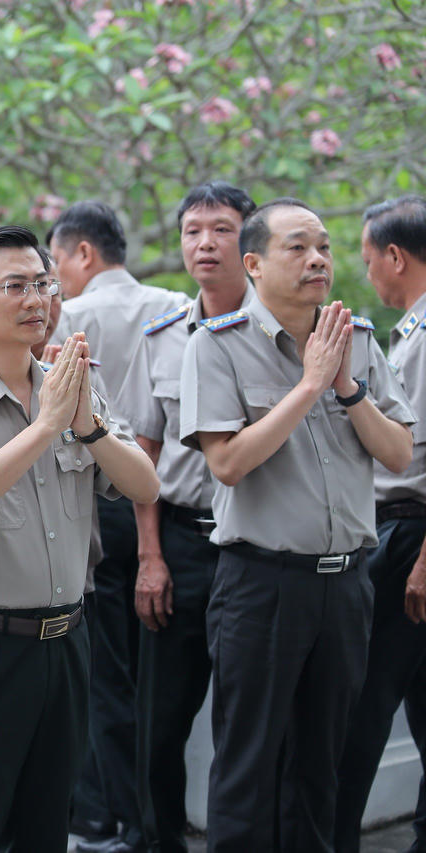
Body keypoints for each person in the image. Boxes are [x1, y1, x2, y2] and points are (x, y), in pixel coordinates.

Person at [0, 224, 157, 851]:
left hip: (65, 644)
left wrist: (88, 427)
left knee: (48, 826)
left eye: (44, 284)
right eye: (15, 286)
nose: (37, 300)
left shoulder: (74, 384)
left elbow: (145, 487)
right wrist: (43, 429)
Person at [179, 198, 415, 850]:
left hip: (345, 585)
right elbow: (226, 462)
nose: (318, 259)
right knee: (248, 765)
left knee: (322, 764)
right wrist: (308, 386)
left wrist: (345, 386)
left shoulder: (357, 341)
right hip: (261, 583)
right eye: (298, 247)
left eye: (325, 247)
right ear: (252, 263)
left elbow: (397, 451)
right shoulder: (215, 346)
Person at [113, 181, 256, 853]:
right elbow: (144, 447)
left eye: (222, 229)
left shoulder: (282, 330)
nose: (205, 242)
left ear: (248, 243)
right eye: (193, 229)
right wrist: (150, 555)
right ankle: (156, 840)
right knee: (159, 719)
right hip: (181, 542)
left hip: (256, 548)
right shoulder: (164, 334)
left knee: (249, 720)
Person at [48, 200, 187, 853]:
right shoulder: (174, 304)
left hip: (102, 503)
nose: (51, 283)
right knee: (154, 673)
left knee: (105, 673)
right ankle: (153, 815)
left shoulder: (67, 318)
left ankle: (112, 814)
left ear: (83, 253)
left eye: (54, 263)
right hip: (163, 502)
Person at [336, 196, 426, 852]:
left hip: (409, 536)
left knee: (359, 712)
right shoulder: (411, 330)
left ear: (396, 256)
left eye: (369, 262)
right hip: (403, 531)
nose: (369, 276)